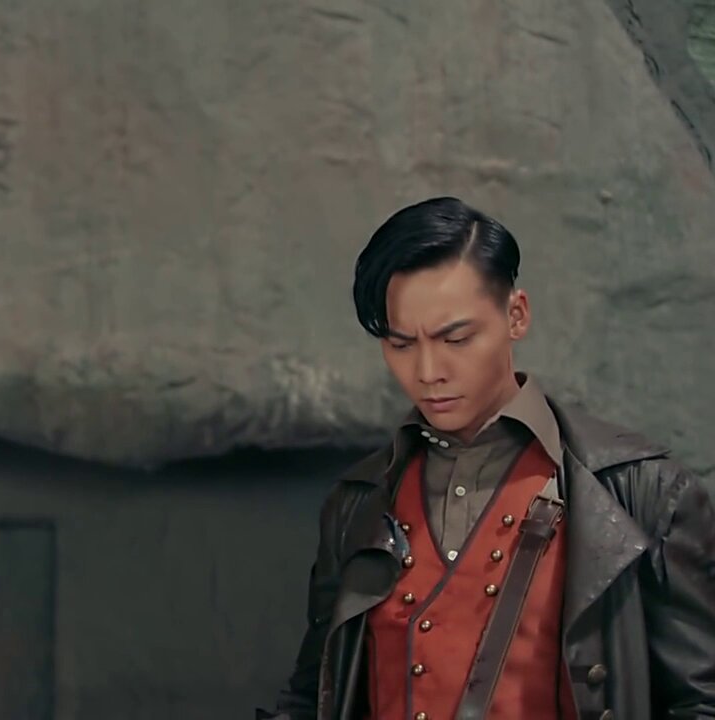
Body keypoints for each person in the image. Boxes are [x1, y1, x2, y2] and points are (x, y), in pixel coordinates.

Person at [261, 197, 715, 719]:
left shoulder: (643, 493)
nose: (428, 371)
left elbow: (702, 702)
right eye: (401, 344)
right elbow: (313, 694)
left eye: (456, 338)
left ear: (516, 315)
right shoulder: (356, 504)